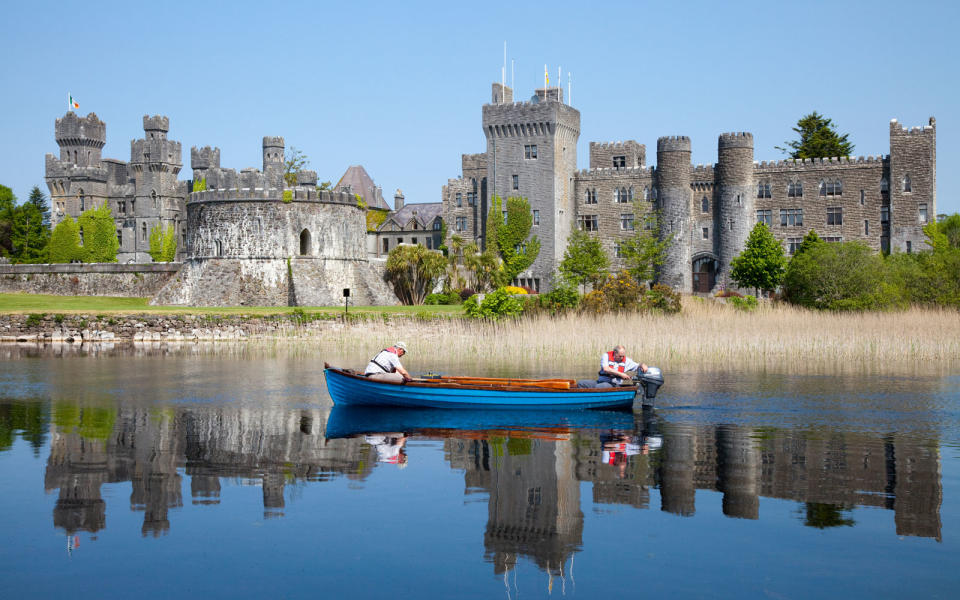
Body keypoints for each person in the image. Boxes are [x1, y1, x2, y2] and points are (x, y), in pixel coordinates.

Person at [577, 345, 647, 388]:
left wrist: (642, 365)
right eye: (620, 356)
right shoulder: (606, 356)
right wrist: (621, 374)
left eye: (623, 356)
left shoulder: (627, 361)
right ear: (615, 353)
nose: (622, 358)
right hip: (600, 381)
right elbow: (606, 369)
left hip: (613, 384)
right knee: (581, 383)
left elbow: (637, 366)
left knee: (599, 387)